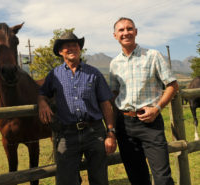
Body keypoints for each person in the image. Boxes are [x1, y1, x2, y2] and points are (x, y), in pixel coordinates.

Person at [38, 31, 117, 185]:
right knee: (66, 180)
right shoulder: (54, 75)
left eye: (75, 45)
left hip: (94, 132)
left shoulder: (94, 74)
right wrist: (42, 103)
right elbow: (42, 93)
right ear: (60, 52)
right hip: (67, 134)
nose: (71, 48)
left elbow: (106, 104)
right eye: (67, 46)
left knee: (99, 179)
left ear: (80, 49)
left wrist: (111, 133)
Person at [109, 17, 178, 185]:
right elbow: (114, 94)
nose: (126, 33)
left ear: (136, 32)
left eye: (129, 28)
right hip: (124, 125)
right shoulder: (114, 63)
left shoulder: (153, 56)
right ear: (115, 35)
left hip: (150, 122)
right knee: (137, 178)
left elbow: (172, 85)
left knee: (162, 177)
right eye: (121, 30)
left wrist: (157, 108)